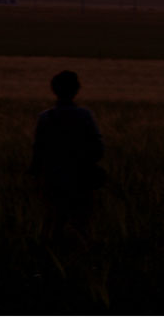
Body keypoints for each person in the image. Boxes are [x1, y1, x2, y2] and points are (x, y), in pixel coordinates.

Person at [30, 70, 104, 246]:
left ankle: (48, 257)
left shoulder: (45, 118)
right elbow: (98, 149)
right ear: (77, 89)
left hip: (52, 179)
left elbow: (38, 152)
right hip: (80, 179)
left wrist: (37, 176)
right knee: (82, 225)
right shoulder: (85, 116)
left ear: (53, 89)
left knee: (52, 223)